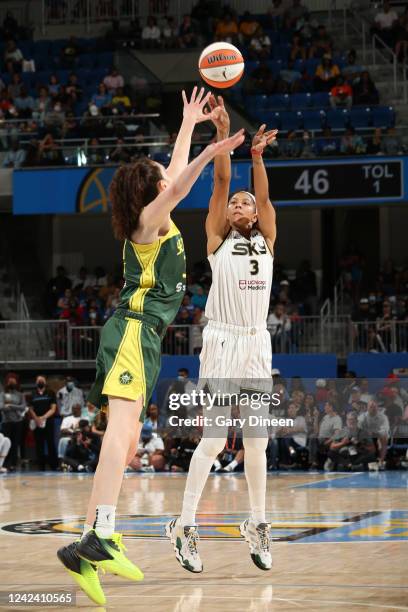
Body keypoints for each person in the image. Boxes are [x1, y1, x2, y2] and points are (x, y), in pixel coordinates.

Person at [56, 87, 244, 606]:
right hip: (133, 332)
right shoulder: (149, 220)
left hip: (141, 337)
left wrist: (189, 125)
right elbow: (179, 182)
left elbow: (174, 171)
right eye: (162, 177)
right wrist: (212, 149)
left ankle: (87, 546)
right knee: (123, 432)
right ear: (153, 192)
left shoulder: (152, 217)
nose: (169, 172)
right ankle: (102, 532)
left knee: (128, 432)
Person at [167, 96, 277, 573]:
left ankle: (257, 522)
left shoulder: (268, 237)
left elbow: (266, 197)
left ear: (254, 214)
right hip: (223, 341)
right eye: (235, 202)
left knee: (257, 441)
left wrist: (258, 157)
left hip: (256, 342)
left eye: (245, 203)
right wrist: (224, 137)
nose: (239, 203)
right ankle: (184, 524)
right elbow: (220, 179)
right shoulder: (217, 236)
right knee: (214, 440)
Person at [27, 375, 58, 471]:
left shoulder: (51, 393)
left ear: (45, 382)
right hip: (37, 422)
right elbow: (30, 409)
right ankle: (41, 467)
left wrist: (43, 417)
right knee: (39, 444)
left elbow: (53, 409)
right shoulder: (32, 394)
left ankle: (54, 466)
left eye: (42, 380)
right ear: (36, 382)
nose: (40, 381)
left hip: (48, 421)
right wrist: (36, 418)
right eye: (38, 380)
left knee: (50, 443)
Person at [0, 373, 27, 470]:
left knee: (15, 444)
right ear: (7, 382)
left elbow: (23, 407)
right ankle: (5, 463)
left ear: (16, 383)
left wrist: (11, 406)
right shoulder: (2, 394)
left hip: (18, 422)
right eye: (10, 381)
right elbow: (2, 407)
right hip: (6, 422)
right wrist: (16, 408)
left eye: (13, 381)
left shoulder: (20, 395)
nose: (12, 382)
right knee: (7, 442)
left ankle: (13, 464)